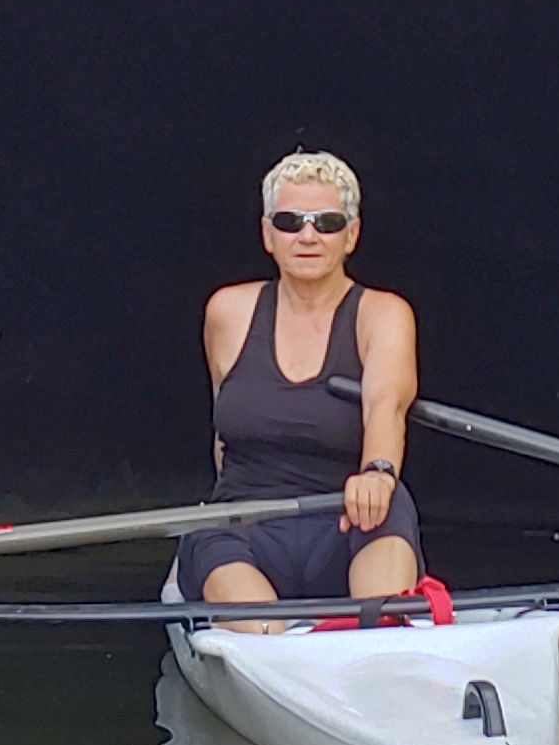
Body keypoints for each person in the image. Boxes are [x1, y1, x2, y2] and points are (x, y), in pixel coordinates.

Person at [176, 150, 422, 616]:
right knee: (255, 618)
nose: (308, 236)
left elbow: (385, 408)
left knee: (388, 506)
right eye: (290, 222)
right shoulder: (227, 312)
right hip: (242, 524)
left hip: (348, 517)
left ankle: (380, 629)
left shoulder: (384, 313)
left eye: (327, 223)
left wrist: (378, 473)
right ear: (268, 235)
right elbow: (222, 436)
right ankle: (262, 634)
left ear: (352, 235)